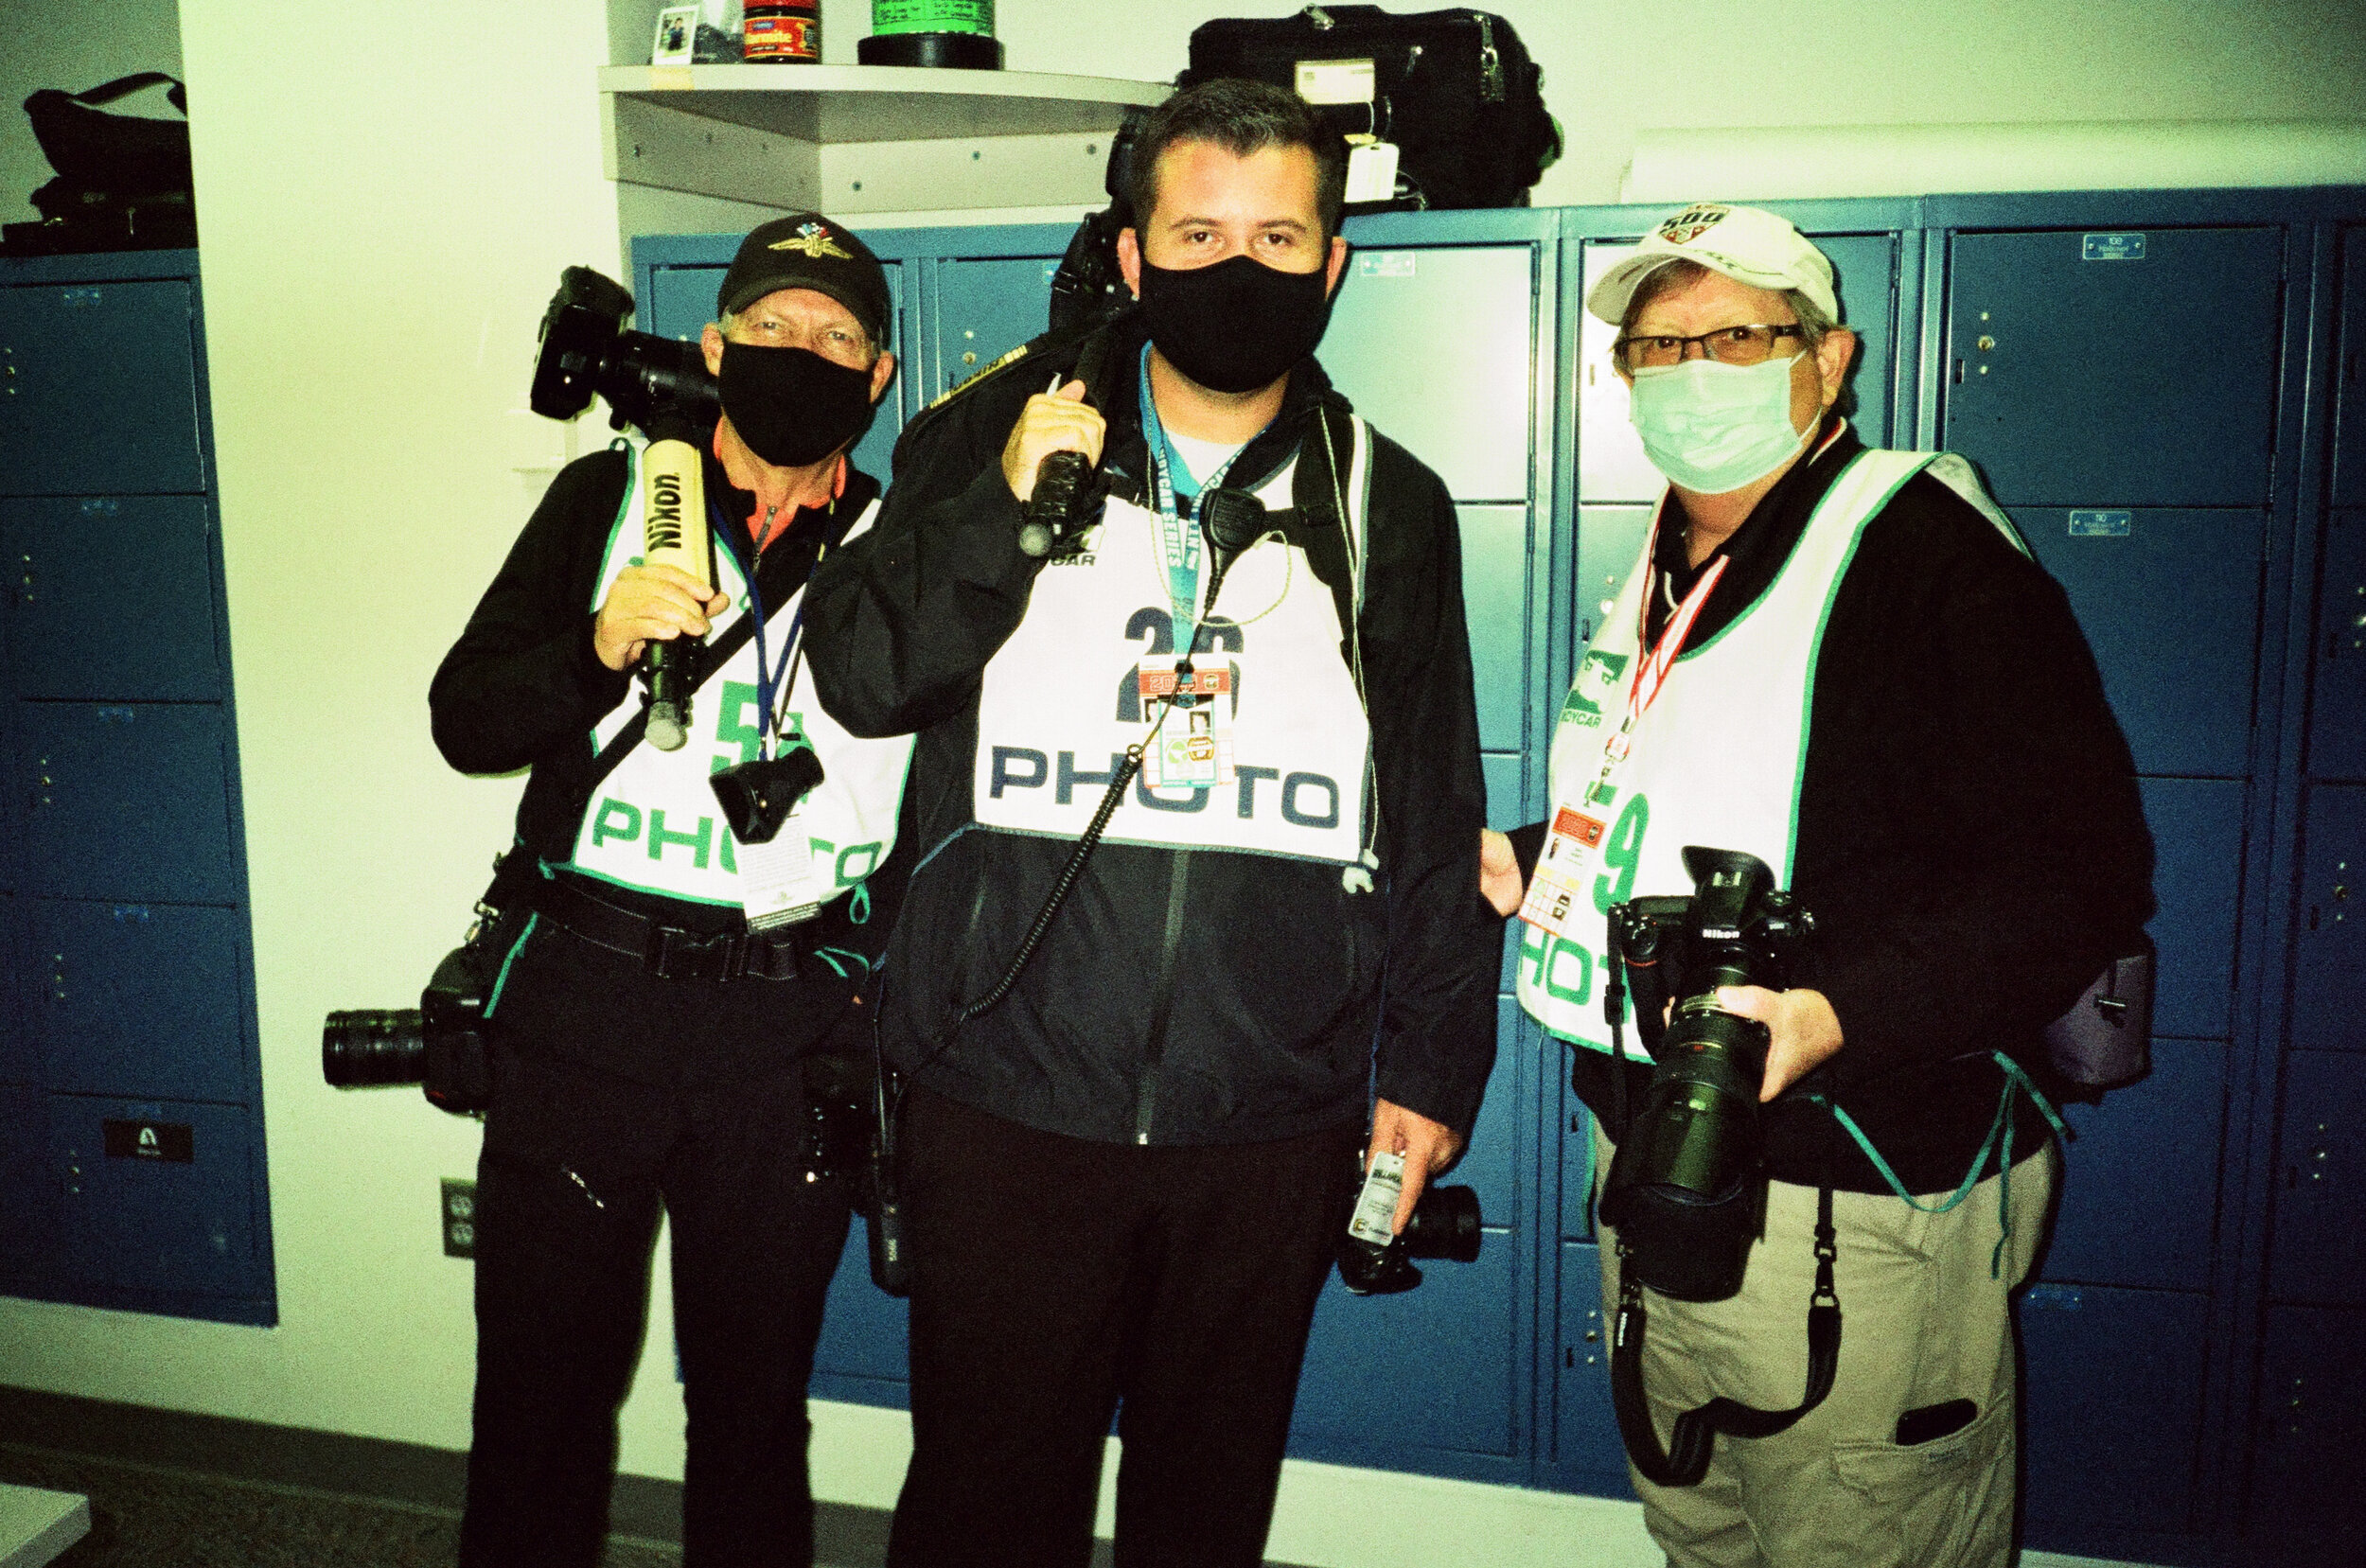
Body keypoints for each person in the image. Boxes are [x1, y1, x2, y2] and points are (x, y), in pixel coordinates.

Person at [802, 79, 1500, 1568]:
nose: (1233, 267)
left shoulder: (1392, 500)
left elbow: (1437, 805)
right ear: (1130, 257)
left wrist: (1434, 1064)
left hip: (1269, 1117)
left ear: (1331, 263)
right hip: (1002, 1096)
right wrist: (999, 507)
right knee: (988, 1508)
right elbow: (860, 678)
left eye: (1274, 234)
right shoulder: (984, 432)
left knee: (1204, 1511)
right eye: (1195, 231)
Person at [1480, 203, 2154, 1567]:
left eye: (1736, 333)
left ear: (1828, 359)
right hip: (1671, 1162)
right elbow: (1715, 800)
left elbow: (2073, 871)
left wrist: (1834, 1010)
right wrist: (1535, 852)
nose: (1691, 369)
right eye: (1657, 345)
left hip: (1853, 1192)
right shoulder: (1677, 560)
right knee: (1705, 1526)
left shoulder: (1926, 553)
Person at [428, 212, 911, 1568]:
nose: (801, 353)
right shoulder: (611, 499)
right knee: (538, 1405)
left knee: (754, 1415)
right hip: (584, 1013)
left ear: (876, 378)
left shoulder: (904, 549)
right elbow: (465, 719)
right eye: (771, 327)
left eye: (836, 338)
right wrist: (595, 647)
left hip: (785, 1033)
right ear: (713, 346)